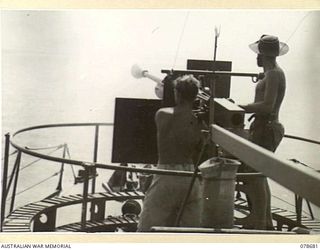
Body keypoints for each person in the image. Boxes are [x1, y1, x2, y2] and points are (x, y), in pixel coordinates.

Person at [137, 75, 203, 232]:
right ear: (195, 96)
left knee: (147, 229)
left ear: (177, 94)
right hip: (190, 177)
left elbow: (173, 113)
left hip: (166, 175)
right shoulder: (199, 121)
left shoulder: (162, 115)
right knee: (190, 233)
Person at [237, 34, 289, 230]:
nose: (256, 57)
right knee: (258, 174)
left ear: (264, 55)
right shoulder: (271, 73)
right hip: (263, 127)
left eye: (258, 53)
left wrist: (242, 107)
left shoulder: (274, 73)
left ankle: (259, 219)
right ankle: (263, 219)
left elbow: (267, 106)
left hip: (267, 128)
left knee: (254, 174)